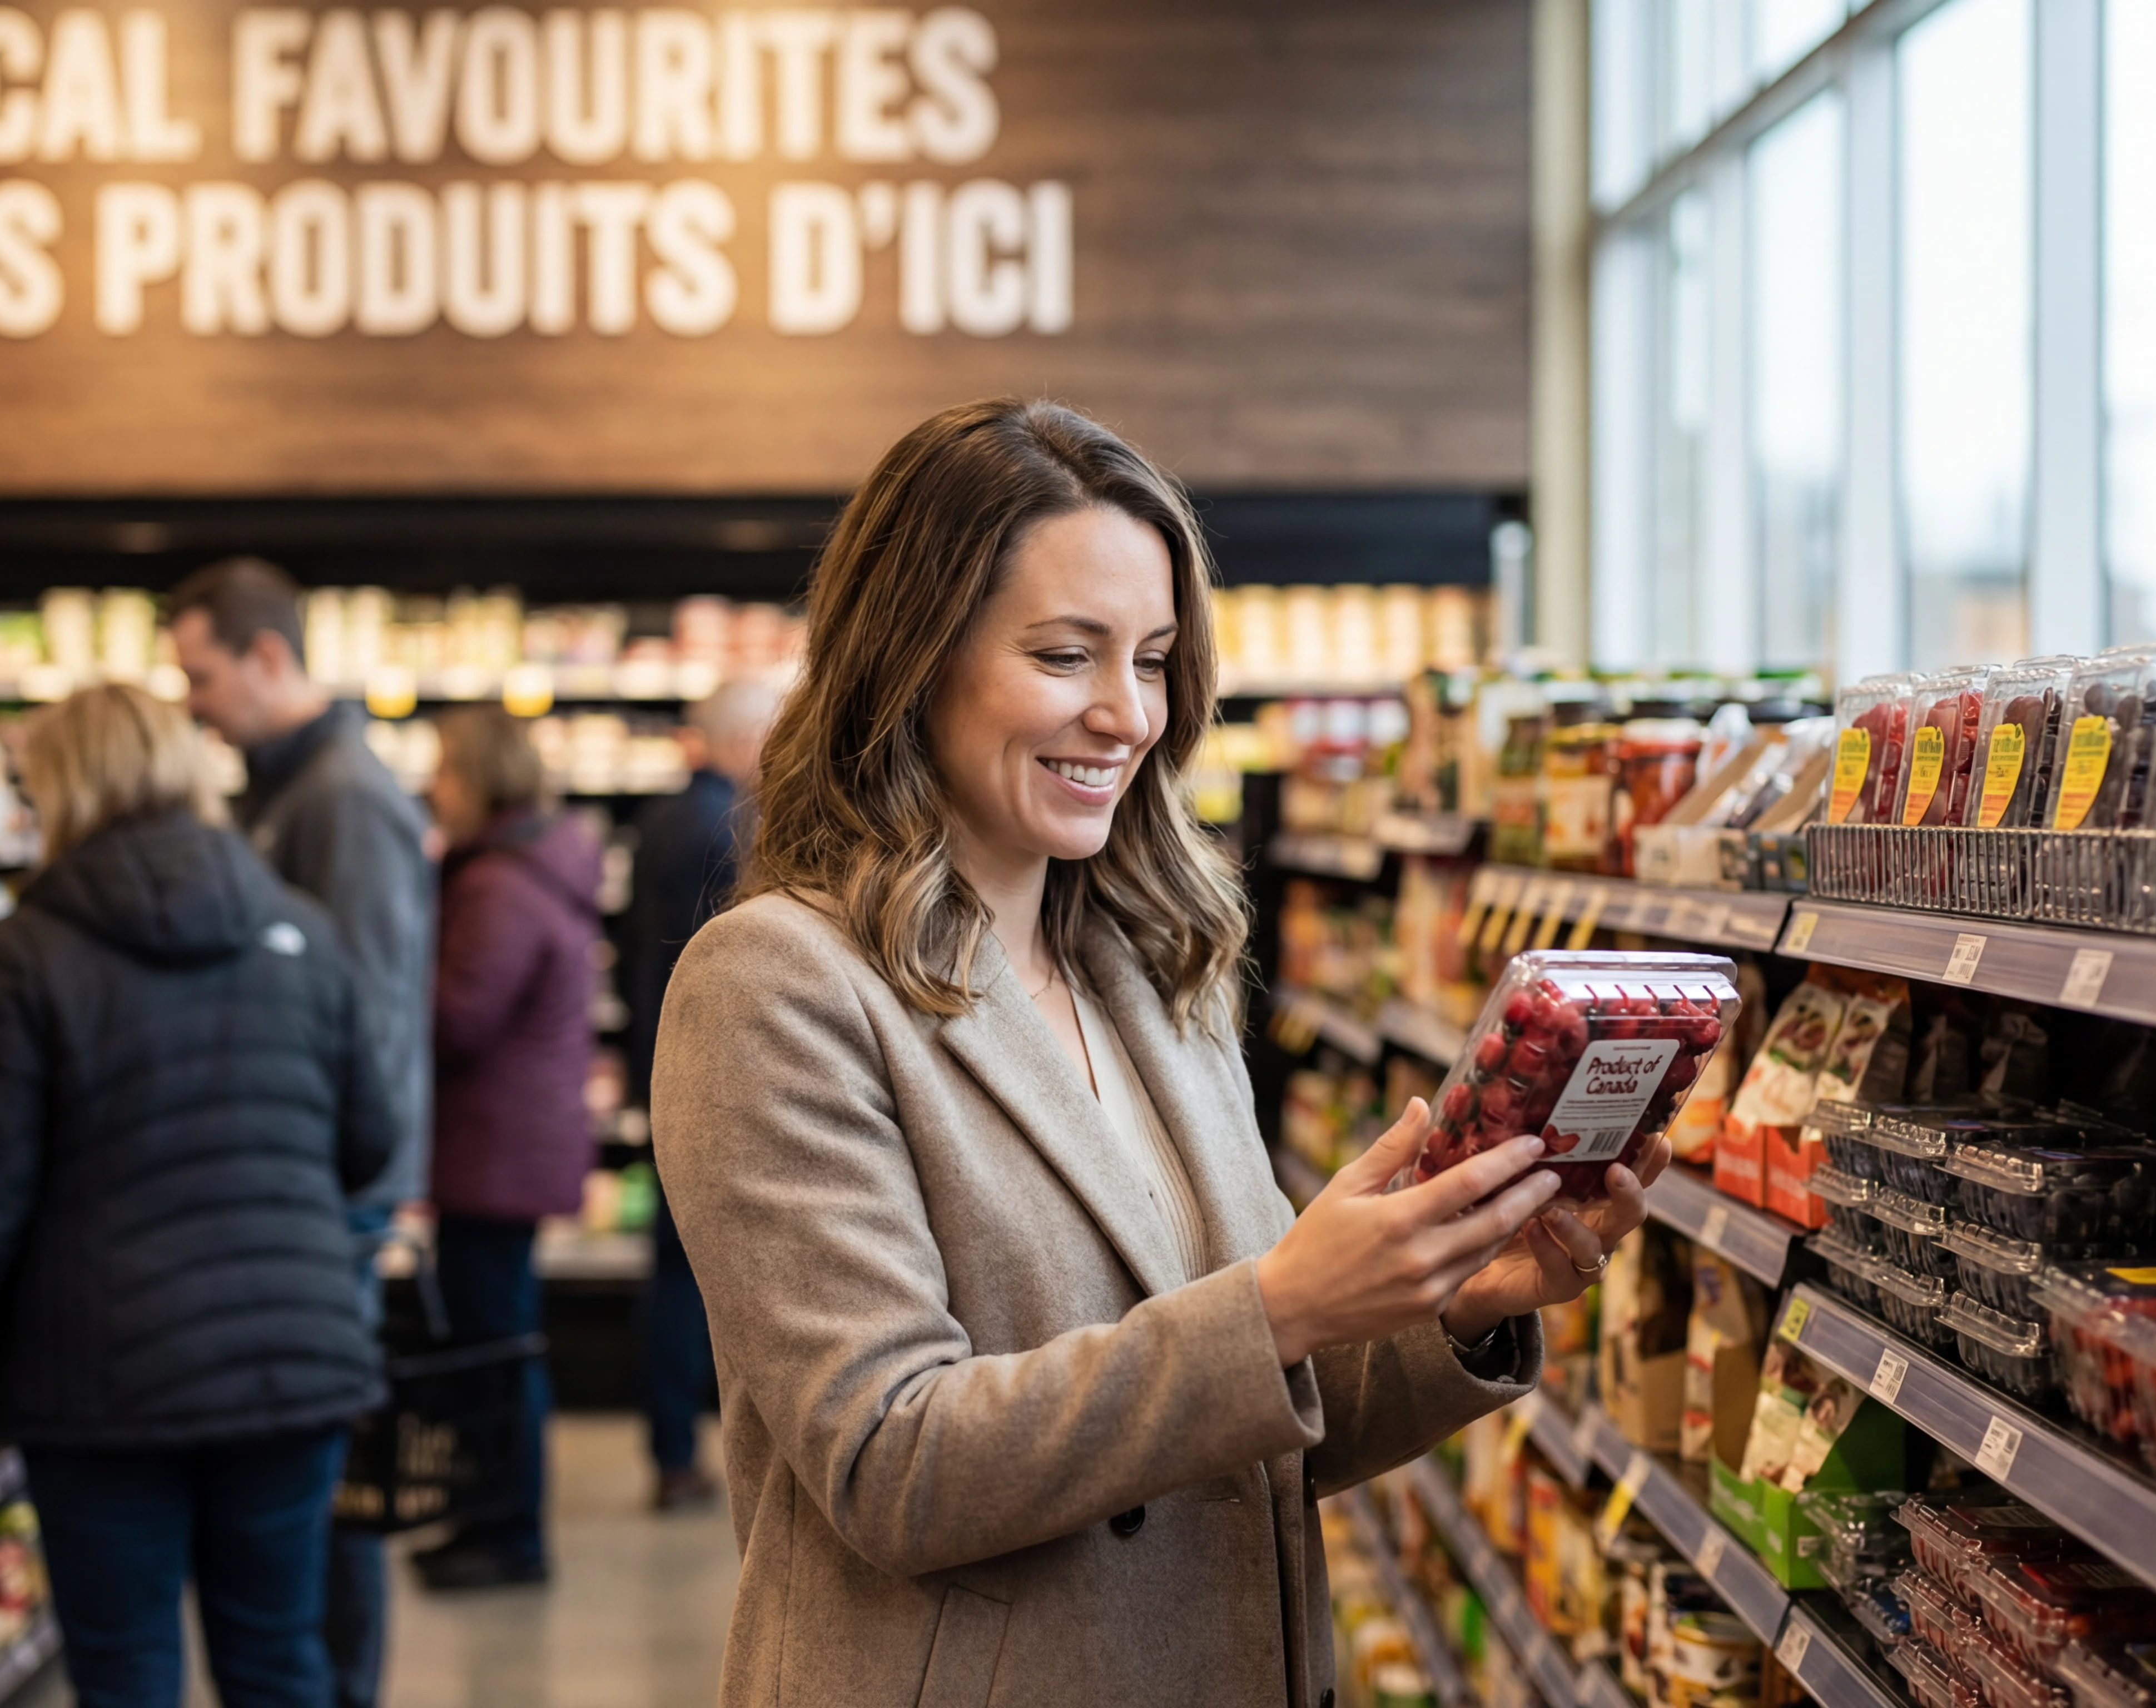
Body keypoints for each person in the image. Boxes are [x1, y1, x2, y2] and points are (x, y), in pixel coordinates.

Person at [652, 399, 1660, 1707]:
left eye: (1154, 659)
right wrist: (1285, 1301)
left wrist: (1444, 1300)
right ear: (910, 659)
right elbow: (887, 1464)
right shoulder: (779, 985)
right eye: (1067, 655)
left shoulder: (1151, 972)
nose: (1127, 715)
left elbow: (1251, 1430)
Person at [0, 683, 398, 1708]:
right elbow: (369, 1145)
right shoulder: (298, 931)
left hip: (102, 1382)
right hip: (288, 1364)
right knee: (277, 1659)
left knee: (126, 1671)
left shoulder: (27, 953)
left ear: (63, 787)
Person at [167, 556, 433, 1708]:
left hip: (329, 1194)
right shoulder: (282, 788)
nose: (191, 702)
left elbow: (370, 1015)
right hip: (304, 1189)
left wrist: (357, 1188)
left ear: (268, 658)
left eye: (201, 673)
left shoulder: (339, 798)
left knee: (329, 1493)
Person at [412, 707, 604, 1589]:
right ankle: (490, 1520)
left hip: (492, 1148)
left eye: (446, 771)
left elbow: (460, 1018)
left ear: (480, 777)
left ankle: (506, 1533)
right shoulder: (536, 863)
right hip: (513, 1141)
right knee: (500, 1342)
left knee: (492, 1349)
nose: (434, 788)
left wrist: (391, 993)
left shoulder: (497, 884)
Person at [621, 676, 781, 1510]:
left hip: (664, 1062)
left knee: (677, 1268)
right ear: (750, 737)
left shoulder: (662, 820)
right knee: (696, 1277)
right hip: (712, 1079)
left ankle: (673, 1446)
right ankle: (682, 1448)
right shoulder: (730, 830)